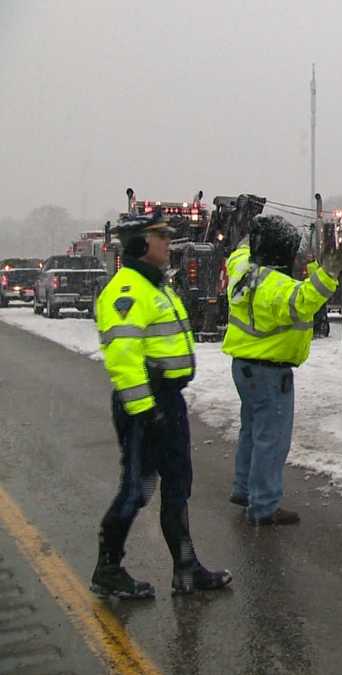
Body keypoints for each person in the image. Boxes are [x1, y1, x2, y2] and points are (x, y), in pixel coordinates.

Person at [92, 211, 232, 598]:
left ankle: (186, 568)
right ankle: (108, 569)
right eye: (161, 237)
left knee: (177, 485)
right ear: (139, 244)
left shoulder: (157, 286)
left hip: (168, 402)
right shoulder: (127, 291)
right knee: (137, 488)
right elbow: (123, 358)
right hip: (146, 407)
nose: (169, 243)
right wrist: (146, 412)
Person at [223, 215, 342, 526]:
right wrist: (328, 271)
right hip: (270, 373)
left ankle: (244, 489)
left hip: (244, 367)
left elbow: (239, 252)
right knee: (272, 439)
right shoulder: (275, 287)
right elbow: (304, 300)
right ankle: (264, 505)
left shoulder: (241, 270)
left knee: (251, 431)